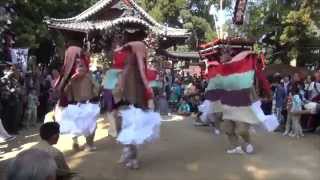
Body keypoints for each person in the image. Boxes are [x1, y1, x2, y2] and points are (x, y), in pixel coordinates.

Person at [114, 38, 161, 169]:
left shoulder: (138, 55)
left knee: (133, 127)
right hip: (126, 97)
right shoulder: (125, 67)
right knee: (122, 125)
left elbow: (143, 76)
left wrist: (149, 96)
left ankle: (132, 156)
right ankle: (128, 151)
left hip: (136, 97)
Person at [54, 45, 100, 151]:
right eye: (77, 65)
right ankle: (75, 141)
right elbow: (65, 92)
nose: (80, 67)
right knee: (75, 124)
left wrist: (92, 81)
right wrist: (70, 82)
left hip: (89, 104)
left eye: (82, 65)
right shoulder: (71, 79)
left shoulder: (89, 76)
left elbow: (97, 89)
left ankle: (89, 144)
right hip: (76, 105)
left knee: (92, 125)